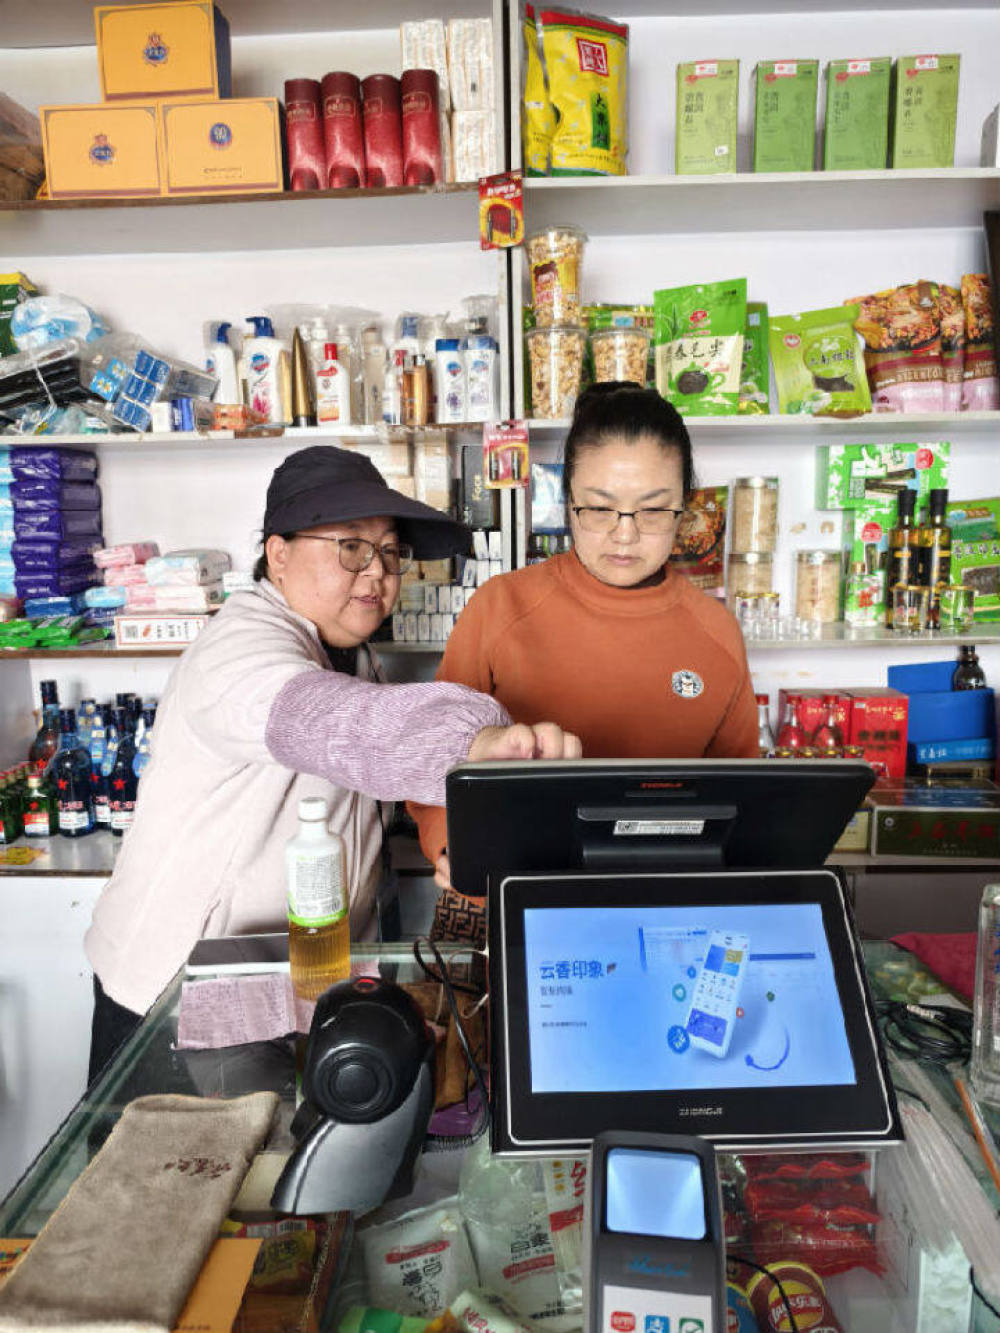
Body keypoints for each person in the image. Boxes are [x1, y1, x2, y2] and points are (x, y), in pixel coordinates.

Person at [85, 445, 580, 1080]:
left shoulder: (348, 651)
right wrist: (474, 744)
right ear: (279, 554)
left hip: (284, 984)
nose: (378, 573)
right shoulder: (239, 649)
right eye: (351, 547)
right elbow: (328, 722)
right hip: (177, 1003)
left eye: (391, 552)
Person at [410, 383, 758, 890]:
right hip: (510, 888)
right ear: (567, 501)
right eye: (599, 508)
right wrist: (449, 844)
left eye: (653, 510)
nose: (624, 534)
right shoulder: (500, 607)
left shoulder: (716, 631)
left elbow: (744, 798)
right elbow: (431, 755)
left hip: (662, 898)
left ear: (685, 508)